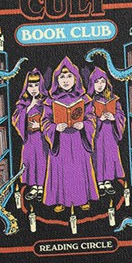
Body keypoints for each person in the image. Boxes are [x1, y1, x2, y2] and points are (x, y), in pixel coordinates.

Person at [41, 57, 99, 213]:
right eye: (62, 77)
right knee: (61, 169)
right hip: (60, 142)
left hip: (79, 139)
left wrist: (84, 125)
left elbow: (91, 118)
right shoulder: (50, 101)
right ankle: (59, 200)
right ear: (56, 80)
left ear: (75, 79)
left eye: (69, 76)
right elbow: (44, 122)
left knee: (79, 168)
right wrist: (54, 127)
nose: (65, 80)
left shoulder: (84, 99)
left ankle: (83, 198)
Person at [11, 68, 49, 202]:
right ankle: (34, 187)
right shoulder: (23, 102)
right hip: (29, 139)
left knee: (42, 161)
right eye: (30, 85)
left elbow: (52, 119)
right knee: (31, 161)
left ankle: (41, 187)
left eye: (36, 85)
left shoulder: (46, 102)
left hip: (42, 138)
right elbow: (16, 119)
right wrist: (28, 108)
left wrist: (41, 125)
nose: (33, 89)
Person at [87, 67, 126, 197]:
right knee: (98, 156)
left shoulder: (113, 98)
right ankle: (99, 181)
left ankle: (108, 180)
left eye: (102, 82)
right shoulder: (89, 100)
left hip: (110, 133)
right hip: (97, 134)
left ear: (107, 83)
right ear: (92, 83)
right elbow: (87, 117)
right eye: (97, 82)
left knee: (109, 155)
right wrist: (99, 120)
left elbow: (120, 114)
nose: (100, 85)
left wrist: (114, 117)